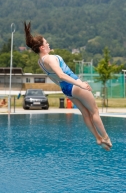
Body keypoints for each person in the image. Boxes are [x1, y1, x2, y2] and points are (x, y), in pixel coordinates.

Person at [24, 22, 112, 151]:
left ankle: (98, 138)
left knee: (86, 113)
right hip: (74, 85)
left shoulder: (40, 62)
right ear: (42, 47)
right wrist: (80, 84)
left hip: (66, 89)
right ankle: (106, 137)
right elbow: (60, 75)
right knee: (94, 111)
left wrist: (66, 89)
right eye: (46, 43)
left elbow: (55, 78)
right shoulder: (49, 59)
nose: (48, 44)